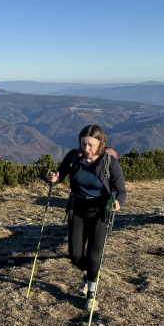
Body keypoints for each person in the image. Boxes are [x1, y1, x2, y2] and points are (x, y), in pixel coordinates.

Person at [48, 124, 126, 310]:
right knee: (75, 256)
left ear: (100, 143)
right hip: (77, 210)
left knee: (93, 256)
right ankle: (89, 273)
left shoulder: (109, 162)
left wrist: (116, 203)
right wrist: (54, 178)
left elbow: (121, 190)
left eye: (91, 145)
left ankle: (91, 295)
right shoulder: (73, 156)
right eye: (84, 144)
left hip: (101, 213)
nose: (86, 148)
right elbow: (60, 174)